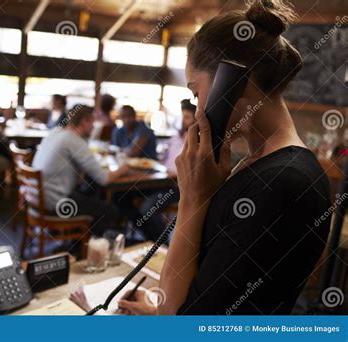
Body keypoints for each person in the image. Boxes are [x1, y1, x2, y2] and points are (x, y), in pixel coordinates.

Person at [118, 0, 331, 315]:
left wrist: (192, 197)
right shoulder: (259, 164)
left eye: (195, 92)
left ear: (229, 83)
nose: (195, 110)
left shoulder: (282, 183)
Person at [32, 105, 129, 235]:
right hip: (56, 204)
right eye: (93, 121)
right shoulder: (74, 140)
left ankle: (78, 240)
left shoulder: (55, 132)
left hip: (36, 197)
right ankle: (81, 249)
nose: (94, 126)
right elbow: (104, 179)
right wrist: (123, 169)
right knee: (110, 211)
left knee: (90, 193)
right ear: (84, 122)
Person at [135, 99, 196, 241]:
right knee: (129, 198)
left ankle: (162, 245)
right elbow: (162, 159)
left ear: (195, 120)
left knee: (147, 208)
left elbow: (190, 171)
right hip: (160, 181)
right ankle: (147, 240)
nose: (183, 121)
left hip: (177, 186)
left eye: (187, 117)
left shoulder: (195, 142)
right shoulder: (175, 137)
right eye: (183, 117)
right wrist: (155, 163)